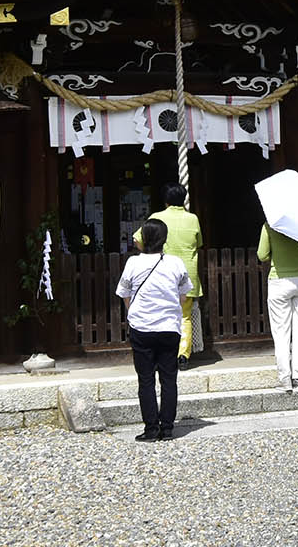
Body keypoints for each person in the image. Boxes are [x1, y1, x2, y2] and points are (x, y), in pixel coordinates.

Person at [116, 217, 192, 441]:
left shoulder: (133, 263)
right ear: (164, 239)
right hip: (169, 326)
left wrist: (134, 314)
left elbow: (124, 293)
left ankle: (151, 428)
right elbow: (184, 293)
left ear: (144, 238)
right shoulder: (175, 263)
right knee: (169, 379)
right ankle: (167, 427)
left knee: (146, 379)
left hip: (142, 327)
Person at [133, 182, 204, 364]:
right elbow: (198, 243)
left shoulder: (157, 217)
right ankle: (183, 355)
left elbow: (137, 238)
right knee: (185, 316)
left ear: (165, 200)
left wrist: (148, 253)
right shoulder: (193, 219)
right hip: (187, 273)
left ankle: (164, 354)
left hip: (161, 273)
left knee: (162, 313)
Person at [257, 222, 298, 393]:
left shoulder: (269, 226)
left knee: (281, 333)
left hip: (278, 282)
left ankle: (285, 380)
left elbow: (262, 255)